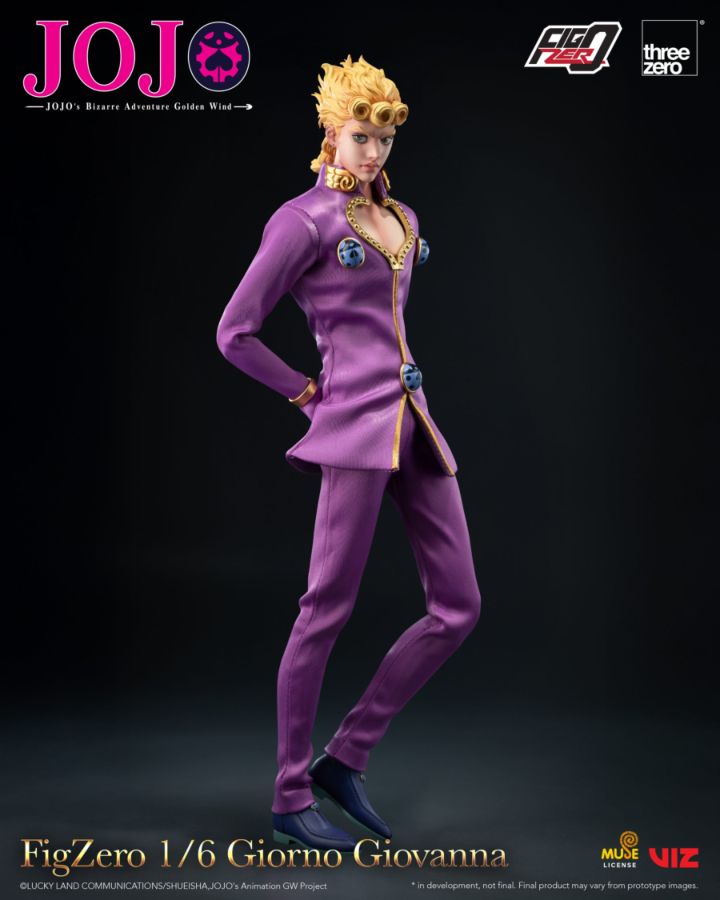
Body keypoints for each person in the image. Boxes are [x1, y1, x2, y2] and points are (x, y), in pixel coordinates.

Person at [216, 54, 482, 853]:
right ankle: (289, 793)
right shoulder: (303, 221)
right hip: (353, 431)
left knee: (458, 607)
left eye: (384, 139)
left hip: (413, 423)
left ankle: (347, 754)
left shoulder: (402, 217)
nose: (373, 152)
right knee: (324, 609)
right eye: (361, 136)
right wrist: (307, 393)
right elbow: (235, 332)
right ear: (331, 132)